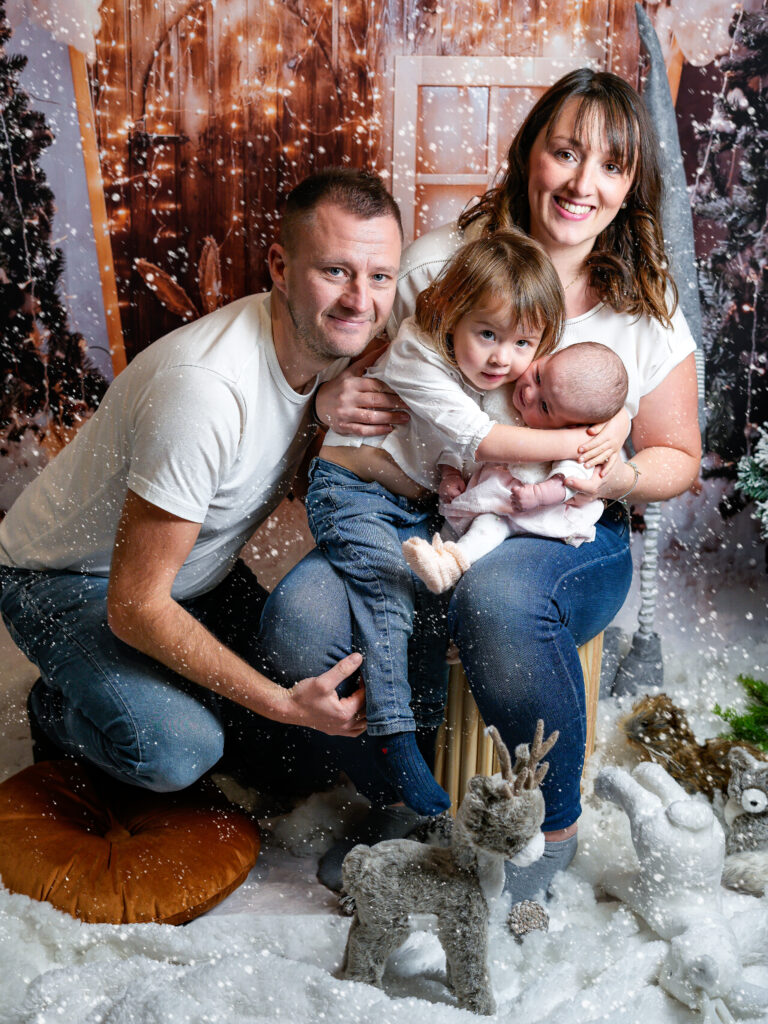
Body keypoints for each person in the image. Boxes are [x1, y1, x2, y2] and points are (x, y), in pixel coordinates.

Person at [264, 68, 701, 904]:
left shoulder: (645, 304)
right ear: (527, 151)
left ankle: (554, 822)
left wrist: (622, 472)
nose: (582, 183)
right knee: (298, 619)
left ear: (630, 183)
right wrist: (328, 395)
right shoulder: (442, 263)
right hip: (421, 509)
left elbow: (678, 454)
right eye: (564, 152)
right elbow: (361, 373)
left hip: (566, 532)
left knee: (495, 600)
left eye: (610, 165)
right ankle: (404, 798)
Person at [0, 167, 409, 795]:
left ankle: (168, 694)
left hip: (196, 573)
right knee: (178, 749)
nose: (361, 300)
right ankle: (56, 713)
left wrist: (323, 414)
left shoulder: (334, 352)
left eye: (379, 276)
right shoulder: (205, 391)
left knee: (305, 762)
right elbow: (135, 606)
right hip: (66, 579)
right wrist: (278, 704)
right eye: (335, 271)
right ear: (278, 266)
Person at [306, 231, 624, 818]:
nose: (503, 357)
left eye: (523, 342)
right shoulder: (415, 353)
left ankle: (418, 743)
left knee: (432, 607)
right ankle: (395, 741)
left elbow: (582, 384)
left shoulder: (513, 377)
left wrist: (616, 422)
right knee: (387, 600)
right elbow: (482, 438)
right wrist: (583, 441)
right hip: (355, 491)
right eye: (487, 335)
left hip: (415, 505)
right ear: (451, 314)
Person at [403, 339, 629, 594]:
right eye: (539, 375)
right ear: (546, 355)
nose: (530, 392)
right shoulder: (498, 392)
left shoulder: (577, 443)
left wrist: (538, 495)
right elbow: (459, 440)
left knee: (490, 527)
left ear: (570, 427)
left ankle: (450, 565)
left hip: (517, 513)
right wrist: (451, 472)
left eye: (544, 407)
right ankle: (434, 571)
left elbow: (570, 481)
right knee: (451, 533)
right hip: (479, 495)